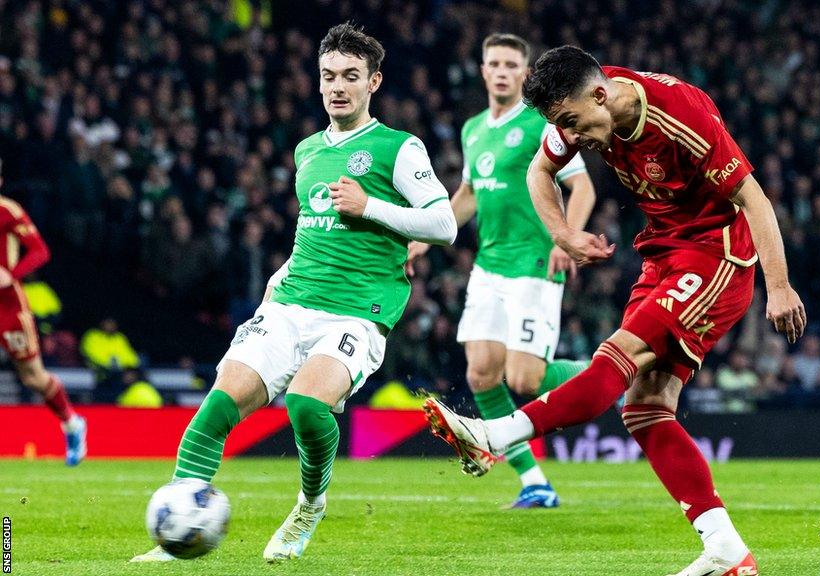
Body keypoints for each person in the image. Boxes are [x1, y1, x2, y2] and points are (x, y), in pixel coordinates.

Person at [424, 46, 805, 576]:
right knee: (644, 409)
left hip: (718, 255)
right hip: (663, 252)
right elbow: (539, 173)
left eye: (573, 123)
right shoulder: (577, 112)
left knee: (617, 356)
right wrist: (563, 233)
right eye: (561, 125)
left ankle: (495, 436)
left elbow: (755, 200)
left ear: (601, 95)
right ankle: (725, 550)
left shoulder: (679, 116)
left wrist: (780, 287)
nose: (570, 137)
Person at [131, 22, 456, 563]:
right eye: (329, 75)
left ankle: (310, 504)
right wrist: (279, 276)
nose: (337, 86)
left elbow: (443, 223)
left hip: (356, 312)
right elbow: (314, 225)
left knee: (306, 404)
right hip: (289, 300)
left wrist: (370, 207)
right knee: (216, 409)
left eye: (351, 76)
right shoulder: (307, 150)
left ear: (373, 82)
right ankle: (175, 533)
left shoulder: (399, 148)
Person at [407, 33, 596, 508]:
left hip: (534, 260)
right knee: (481, 374)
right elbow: (467, 197)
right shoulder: (473, 129)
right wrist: (423, 239)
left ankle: (609, 372)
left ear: (525, 73)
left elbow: (583, 188)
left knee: (525, 380)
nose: (502, 71)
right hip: (489, 266)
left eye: (512, 64)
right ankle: (534, 482)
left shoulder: (541, 122)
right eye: (495, 63)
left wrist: (567, 237)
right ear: (484, 70)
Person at [0, 157, 86, 466]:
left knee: (33, 377)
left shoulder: (7, 211)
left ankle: (72, 424)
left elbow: (40, 251)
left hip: (7, 306)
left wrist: (12, 274)